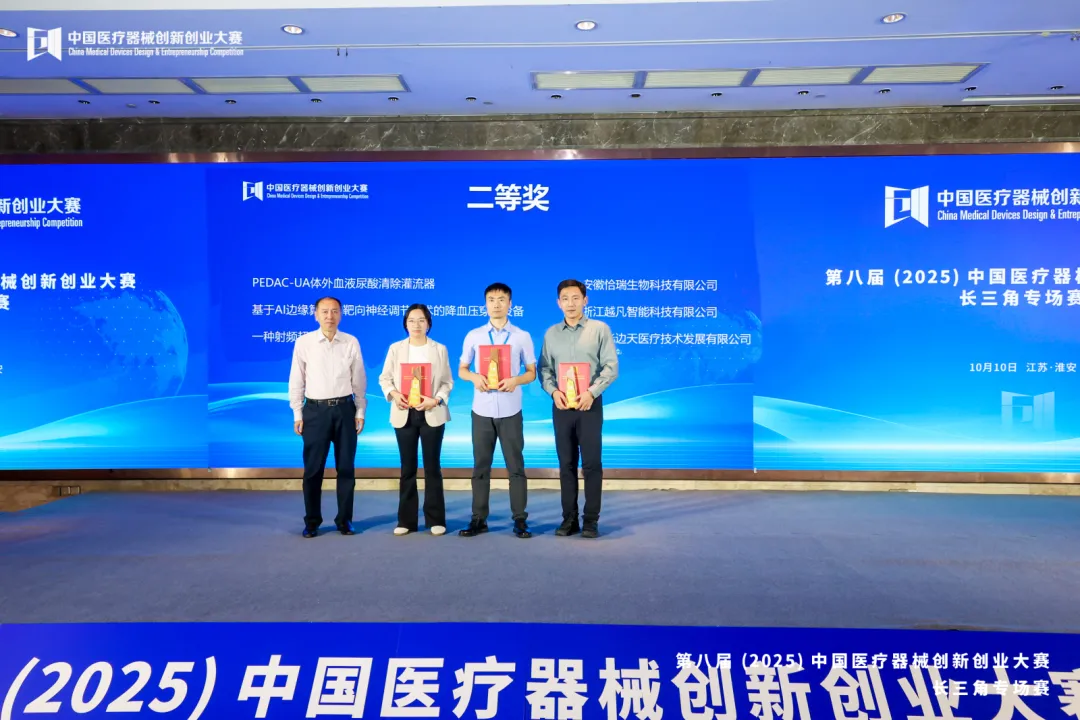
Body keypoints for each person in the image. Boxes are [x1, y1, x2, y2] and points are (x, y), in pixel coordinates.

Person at [539, 279, 618, 538]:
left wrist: (591, 392)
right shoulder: (551, 334)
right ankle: (569, 519)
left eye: (576, 298)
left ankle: (591, 520)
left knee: (592, 464)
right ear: (558, 303)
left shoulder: (599, 329)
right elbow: (544, 369)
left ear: (585, 300)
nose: (570, 303)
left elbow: (610, 367)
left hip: (589, 405)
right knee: (566, 464)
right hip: (562, 406)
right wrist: (554, 392)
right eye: (565, 298)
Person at [458, 282, 536, 539]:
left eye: (501, 299)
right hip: (481, 409)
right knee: (481, 466)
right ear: (485, 304)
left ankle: (520, 520)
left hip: (511, 409)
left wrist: (515, 380)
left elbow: (532, 373)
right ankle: (478, 518)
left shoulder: (521, 336)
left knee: (516, 467)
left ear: (510, 303)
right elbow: (462, 369)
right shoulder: (474, 335)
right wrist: (474, 377)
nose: (496, 304)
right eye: (491, 299)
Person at [288, 296, 367, 538]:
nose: (329, 316)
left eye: (334, 311)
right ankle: (312, 521)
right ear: (316, 315)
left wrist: (360, 410)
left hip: (345, 410)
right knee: (313, 470)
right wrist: (297, 412)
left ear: (341, 314)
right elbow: (297, 379)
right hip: (315, 411)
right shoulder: (304, 343)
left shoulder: (351, 342)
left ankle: (345, 520)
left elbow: (359, 379)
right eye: (324, 311)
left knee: (346, 469)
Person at [378, 303, 453, 536]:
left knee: (432, 467)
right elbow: (385, 378)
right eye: (411, 320)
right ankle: (406, 521)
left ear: (428, 324)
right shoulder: (396, 348)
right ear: (405, 324)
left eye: (421, 320)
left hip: (432, 413)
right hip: (404, 413)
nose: (416, 325)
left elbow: (447, 382)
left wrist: (436, 400)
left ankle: (436, 519)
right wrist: (394, 394)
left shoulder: (439, 349)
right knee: (407, 468)